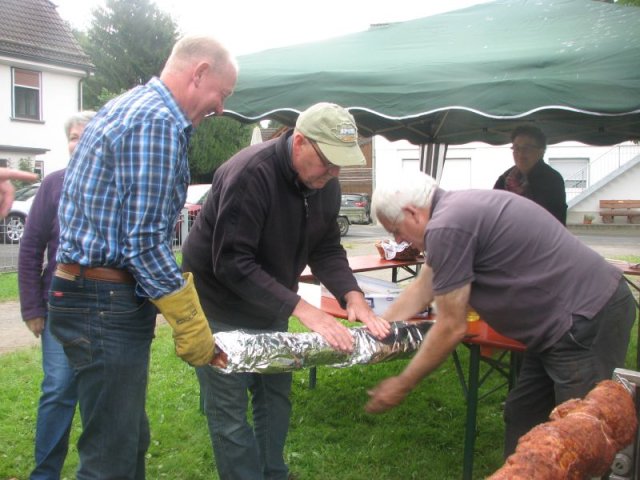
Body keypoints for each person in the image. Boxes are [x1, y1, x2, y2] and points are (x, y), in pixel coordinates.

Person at [47, 35, 237, 479]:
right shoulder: (156, 122)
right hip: (102, 301)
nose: (221, 108)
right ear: (199, 73)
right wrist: (189, 320)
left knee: (128, 439)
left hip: (94, 295)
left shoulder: (130, 106)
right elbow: (145, 244)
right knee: (109, 458)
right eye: (222, 94)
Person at [182, 102, 391, 480]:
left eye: (341, 163)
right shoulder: (250, 174)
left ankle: (273, 473)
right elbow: (231, 262)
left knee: (274, 397)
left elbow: (326, 248)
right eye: (328, 161)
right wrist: (303, 309)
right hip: (217, 305)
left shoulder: (325, 183)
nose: (334, 172)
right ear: (299, 142)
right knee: (229, 410)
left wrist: (351, 294)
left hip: (270, 303)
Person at [364, 171, 635, 458]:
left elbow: (450, 327)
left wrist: (402, 383)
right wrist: (377, 329)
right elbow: (423, 287)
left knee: (583, 436)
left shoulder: (447, 225)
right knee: (523, 414)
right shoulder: (452, 214)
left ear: (412, 213)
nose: (399, 240)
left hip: (586, 319)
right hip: (555, 328)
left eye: (396, 230)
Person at [18, 111, 96, 480]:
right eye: (73, 137)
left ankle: (94, 471)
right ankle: (45, 474)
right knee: (58, 389)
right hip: (58, 305)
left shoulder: (113, 182)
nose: (77, 143)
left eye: (85, 136)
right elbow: (31, 248)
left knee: (98, 394)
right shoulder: (53, 185)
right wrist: (32, 307)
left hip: (103, 307)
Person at [493, 125, 567, 225]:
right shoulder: (505, 178)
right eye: (516, 148)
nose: (520, 153)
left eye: (526, 148)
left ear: (541, 151)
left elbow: (556, 220)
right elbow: (494, 211)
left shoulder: (552, 180)